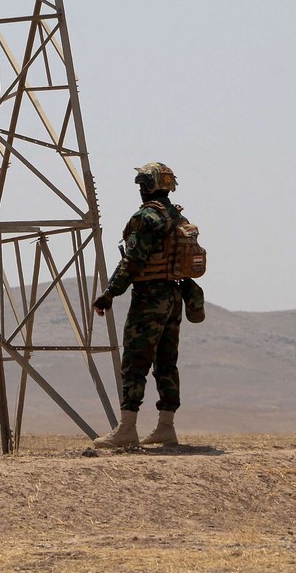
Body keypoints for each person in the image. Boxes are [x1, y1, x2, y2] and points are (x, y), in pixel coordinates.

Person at [91, 162, 204, 448]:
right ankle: (166, 428)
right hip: (174, 296)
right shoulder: (177, 217)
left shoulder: (146, 217)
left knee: (135, 362)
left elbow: (133, 261)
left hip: (149, 297)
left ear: (147, 186)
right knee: (166, 362)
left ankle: (127, 429)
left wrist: (109, 294)